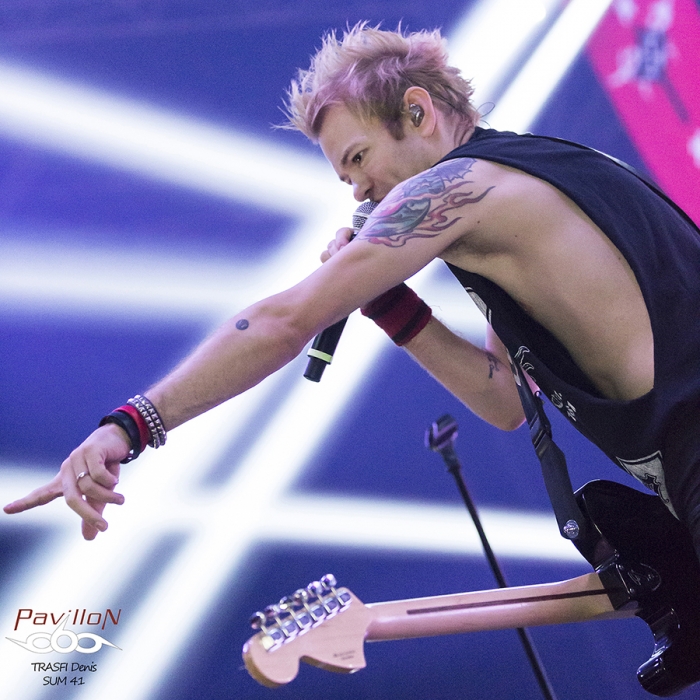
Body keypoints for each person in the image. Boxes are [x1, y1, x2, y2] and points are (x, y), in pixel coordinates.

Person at [5, 24, 700, 561]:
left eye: (360, 159)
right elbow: (506, 401)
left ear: (418, 112)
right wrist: (393, 307)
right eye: (348, 179)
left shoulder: (458, 186)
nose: (362, 192)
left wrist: (128, 426)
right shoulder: (529, 182)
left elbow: (283, 321)